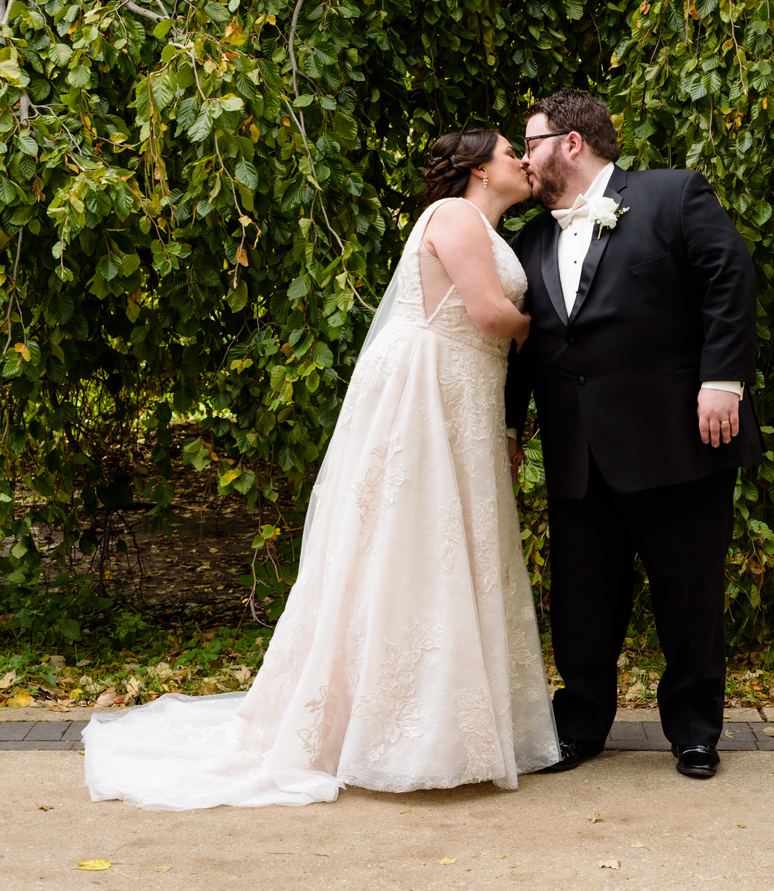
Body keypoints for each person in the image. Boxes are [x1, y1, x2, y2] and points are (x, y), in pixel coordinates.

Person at [83, 131, 560, 808]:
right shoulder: (455, 214)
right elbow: (487, 313)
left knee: (440, 552)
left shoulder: (490, 228)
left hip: (463, 401)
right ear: (480, 168)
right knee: (411, 546)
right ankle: (391, 731)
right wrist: (542, 324)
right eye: (512, 150)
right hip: (427, 398)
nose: (521, 161)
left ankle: (436, 727)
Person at [503, 88, 758, 780]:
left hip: (680, 443)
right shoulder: (528, 240)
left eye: (530, 144)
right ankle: (580, 724)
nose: (524, 159)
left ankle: (695, 731)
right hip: (577, 455)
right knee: (582, 601)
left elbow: (727, 281)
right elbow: (526, 345)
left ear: (572, 143)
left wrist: (722, 380)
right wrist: (508, 424)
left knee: (690, 596)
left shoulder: (674, 195)